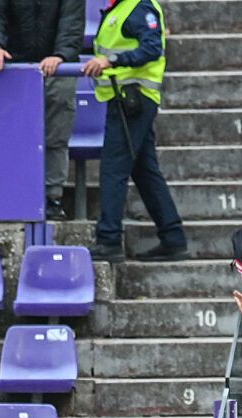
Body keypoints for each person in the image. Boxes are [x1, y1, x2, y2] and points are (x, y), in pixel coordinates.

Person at [82, 0, 187, 262]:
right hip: (127, 99)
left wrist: (112, 60)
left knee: (113, 169)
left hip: (133, 100)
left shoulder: (137, 7)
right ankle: (172, 238)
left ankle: (109, 240)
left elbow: (152, 48)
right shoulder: (120, 8)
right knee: (144, 171)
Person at [0, 0, 87, 220]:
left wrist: (61, 55)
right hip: (13, 70)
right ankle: (11, 193)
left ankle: (53, 197)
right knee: (10, 135)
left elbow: (72, 23)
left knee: (56, 136)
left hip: (58, 69)